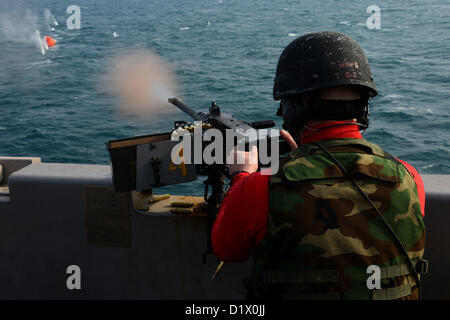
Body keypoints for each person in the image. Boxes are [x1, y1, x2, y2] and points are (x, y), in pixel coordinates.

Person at [211, 31, 427, 300]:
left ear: (293, 109)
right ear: (363, 109)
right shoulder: (408, 178)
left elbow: (227, 249)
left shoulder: (263, 187)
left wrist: (242, 176)